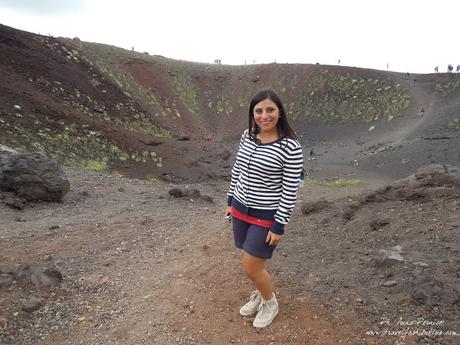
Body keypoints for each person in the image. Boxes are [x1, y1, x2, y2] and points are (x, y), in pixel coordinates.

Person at [224, 90, 304, 328]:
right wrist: (230, 200)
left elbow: (290, 190)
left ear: (280, 112)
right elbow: (238, 169)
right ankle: (260, 291)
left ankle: (269, 302)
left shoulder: (291, 147)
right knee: (255, 263)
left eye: (270, 110)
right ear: (253, 114)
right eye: (258, 111)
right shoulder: (247, 136)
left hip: (266, 217)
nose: (264, 115)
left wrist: (279, 225)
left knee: (250, 266)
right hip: (240, 209)